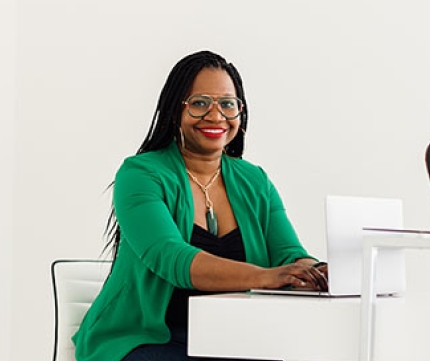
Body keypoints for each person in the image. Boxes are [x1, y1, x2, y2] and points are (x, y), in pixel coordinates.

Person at [72, 50, 328, 361]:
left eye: (227, 104)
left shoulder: (255, 181)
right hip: (145, 339)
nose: (216, 115)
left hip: (232, 338)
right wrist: (267, 276)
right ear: (174, 110)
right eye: (199, 103)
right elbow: (171, 257)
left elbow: (288, 255)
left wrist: (316, 272)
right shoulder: (140, 174)